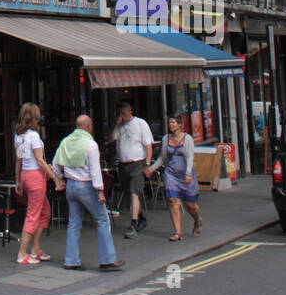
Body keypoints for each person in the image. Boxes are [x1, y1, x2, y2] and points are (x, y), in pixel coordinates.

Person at [53, 114, 125, 272]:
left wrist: (59, 180)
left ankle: (71, 260)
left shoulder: (65, 141)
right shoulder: (90, 145)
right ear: (88, 126)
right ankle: (107, 259)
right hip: (86, 186)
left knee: (73, 223)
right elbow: (95, 170)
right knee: (102, 220)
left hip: (70, 186)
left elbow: (55, 164)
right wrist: (100, 191)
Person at [145, 115, 202, 240]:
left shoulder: (187, 139)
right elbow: (162, 158)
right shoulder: (166, 139)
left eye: (173, 122)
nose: (171, 125)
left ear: (180, 125)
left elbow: (190, 158)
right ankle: (177, 232)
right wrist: (152, 168)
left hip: (185, 174)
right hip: (171, 173)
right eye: (170, 123)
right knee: (173, 201)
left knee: (190, 205)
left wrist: (188, 174)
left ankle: (197, 220)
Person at [14, 103, 58, 265]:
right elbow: (40, 160)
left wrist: (18, 180)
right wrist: (54, 177)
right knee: (33, 214)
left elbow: (18, 159)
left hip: (25, 174)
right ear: (35, 117)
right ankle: (22, 253)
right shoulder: (34, 137)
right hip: (35, 176)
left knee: (45, 211)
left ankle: (36, 249)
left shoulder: (18, 136)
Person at [108, 99, 153, 238]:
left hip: (137, 163)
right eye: (120, 112)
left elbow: (148, 145)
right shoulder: (119, 126)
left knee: (134, 193)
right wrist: (116, 125)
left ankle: (133, 224)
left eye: (124, 111)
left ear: (130, 110)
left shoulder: (140, 123)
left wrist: (147, 163)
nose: (122, 114)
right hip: (123, 163)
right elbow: (111, 139)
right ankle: (141, 217)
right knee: (129, 195)